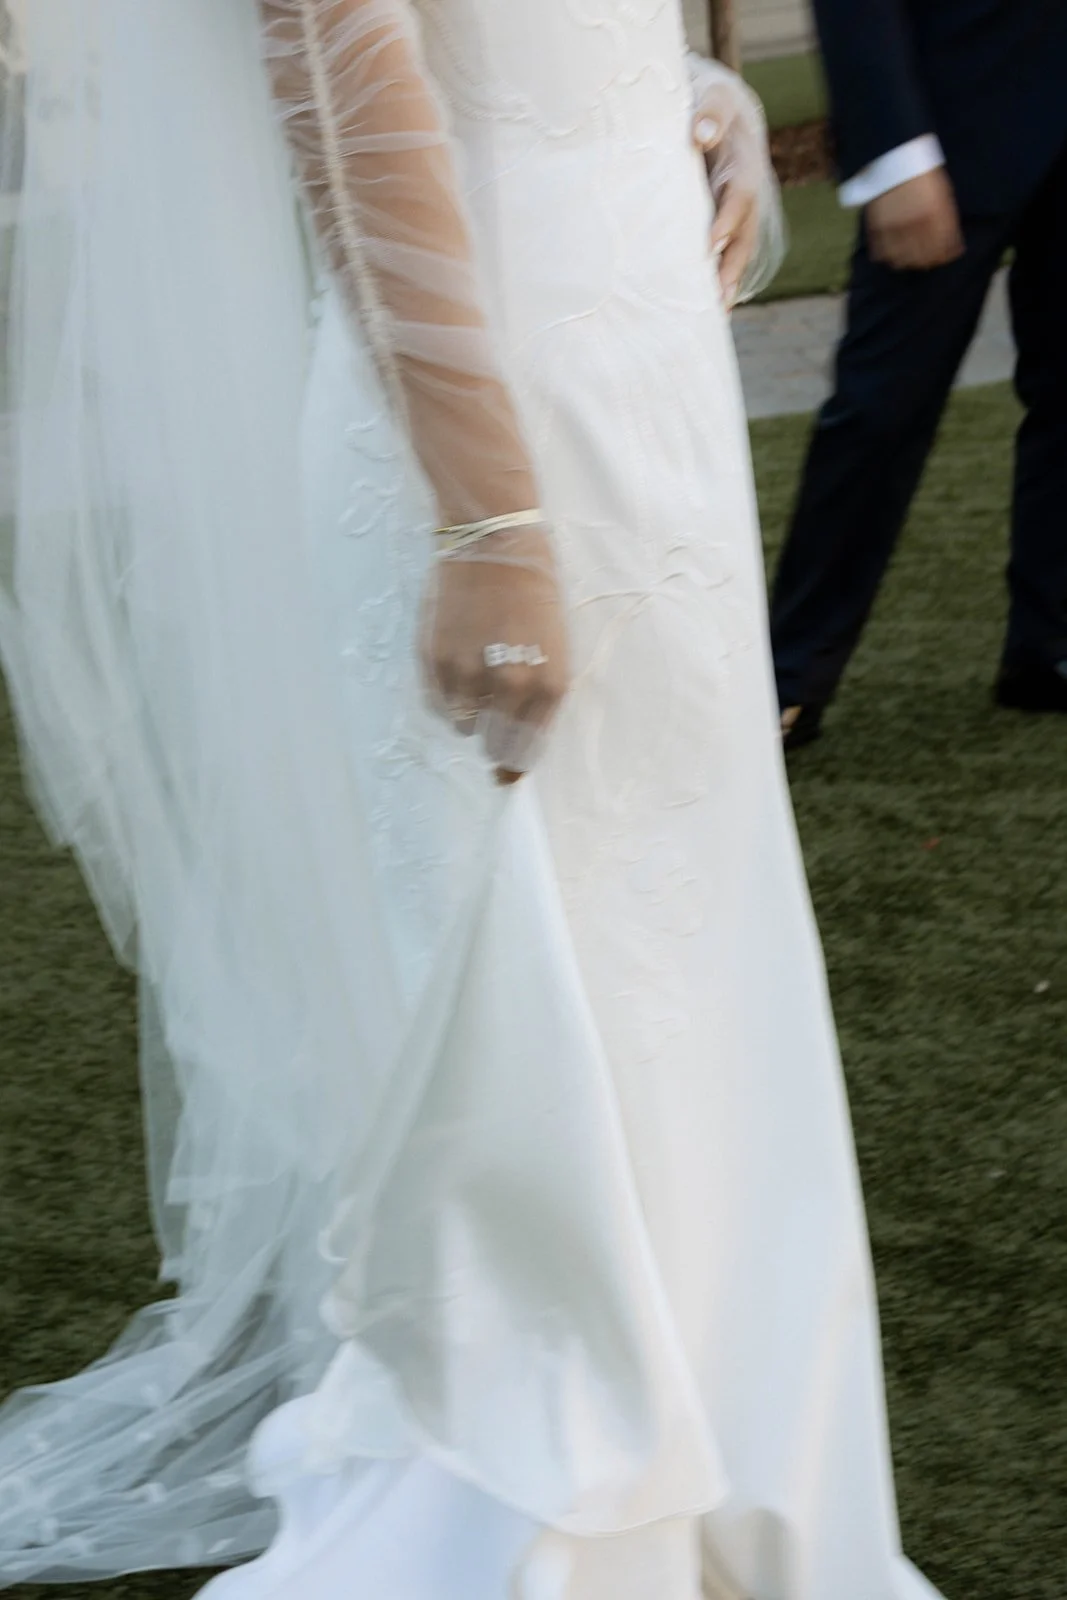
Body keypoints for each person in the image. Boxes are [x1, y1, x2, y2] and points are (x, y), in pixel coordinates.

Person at [0, 2, 943, 1596]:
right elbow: (340, 78)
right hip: (501, 412)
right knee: (532, 966)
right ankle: (553, 1500)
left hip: (634, 352)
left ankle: (738, 1456)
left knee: (683, 956)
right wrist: (489, 514)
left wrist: (683, 91)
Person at [771, 0, 1067, 750]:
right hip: (953, 127)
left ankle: (1047, 647)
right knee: (880, 410)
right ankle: (785, 677)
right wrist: (890, 150)